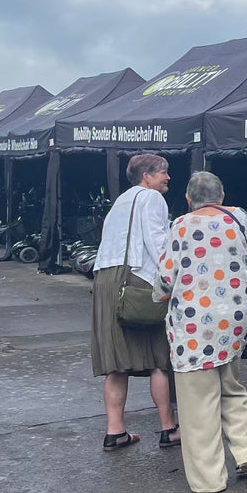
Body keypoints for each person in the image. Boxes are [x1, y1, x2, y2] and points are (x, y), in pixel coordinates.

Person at [153, 170, 247, 493]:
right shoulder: (240, 217)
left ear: (188, 200)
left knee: (199, 401)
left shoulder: (181, 225)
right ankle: (246, 451)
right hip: (233, 322)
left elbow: (165, 279)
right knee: (230, 384)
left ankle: (210, 480)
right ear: (222, 196)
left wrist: (160, 295)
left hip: (194, 326)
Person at [90, 153, 178, 452]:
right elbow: (158, 242)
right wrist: (173, 278)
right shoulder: (152, 199)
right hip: (137, 280)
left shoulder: (122, 201)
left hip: (106, 280)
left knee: (117, 362)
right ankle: (168, 428)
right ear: (147, 176)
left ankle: (115, 432)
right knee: (157, 358)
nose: (168, 177)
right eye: (163, 173)